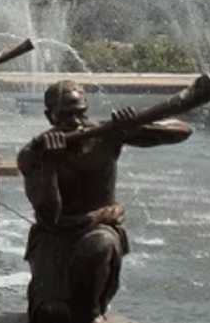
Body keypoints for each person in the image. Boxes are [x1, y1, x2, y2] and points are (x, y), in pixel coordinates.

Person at [18, 80, 192, 323]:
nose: (78, 123)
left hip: (99, 233)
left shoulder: (107, 135)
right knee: (51, 314)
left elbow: (182, 131)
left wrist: (135, 125)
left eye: (81, 113)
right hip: (55, 238)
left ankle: (91, 313)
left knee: (99, 245)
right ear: (50, 117)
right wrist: (50, 165)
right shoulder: (34, 153)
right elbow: (48, 216)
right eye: (67, 117)